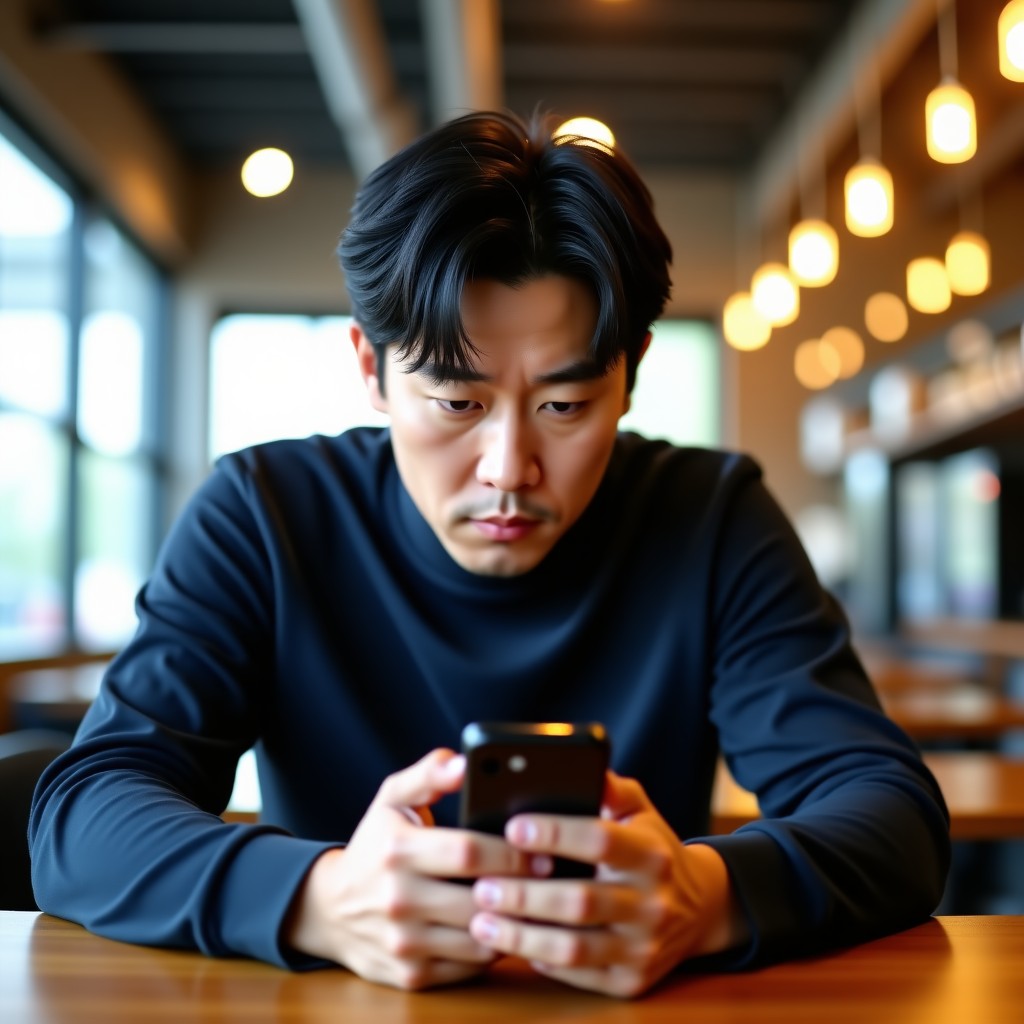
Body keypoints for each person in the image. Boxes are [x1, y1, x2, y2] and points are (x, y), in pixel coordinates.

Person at [29, 110, 950, 998]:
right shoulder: (265, 516)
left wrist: (705, 898)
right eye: (458, 404)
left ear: (628, 375)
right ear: (370, 368)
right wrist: (321, 898)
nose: (510, 469)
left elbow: (893, 816)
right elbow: (83, 815)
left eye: (564, 406)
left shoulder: (710, 518)